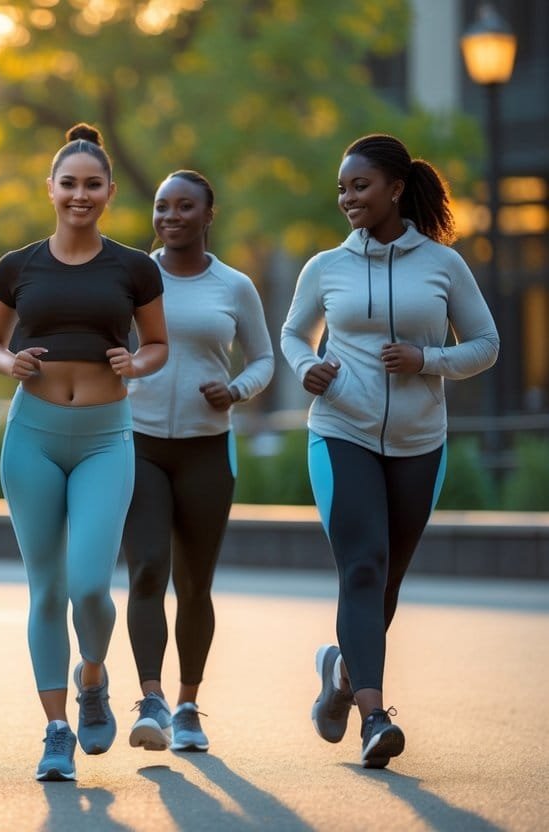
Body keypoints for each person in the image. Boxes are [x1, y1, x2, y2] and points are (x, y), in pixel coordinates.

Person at [281, 133, 499, 769]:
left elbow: (485, 344)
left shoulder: (442, 264)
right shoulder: (325, 267)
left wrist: (427, 360)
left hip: (418, 441)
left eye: (360, 186)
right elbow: (294, 333)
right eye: (342, 188)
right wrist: (306, 369)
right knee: (364, 566)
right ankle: (375, 716)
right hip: (340, 430)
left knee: (387, 582)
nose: (347, 198)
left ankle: (344, 673)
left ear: (395, 189)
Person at [0, 124, 168, 781]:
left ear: (109, 192)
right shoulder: (16, 266)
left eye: (91, 185)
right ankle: (55, 730)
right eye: (68, 184)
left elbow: (157, 344)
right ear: (50, 190)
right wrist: (7, 362)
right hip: (31, 436)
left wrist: (135, 360)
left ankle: (92, 675)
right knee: (45, 591)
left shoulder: (132, 267)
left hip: (104, 438)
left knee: (90, 586)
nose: (79, 195)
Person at [120, 170, 274, 755]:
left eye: (185, 206)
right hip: (139, 443)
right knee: (147, 572)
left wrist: (235, 390)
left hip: (208, 448)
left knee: (195, 585)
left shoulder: (234, 286)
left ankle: (187, 703)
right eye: (162, 206)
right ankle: (152, 699)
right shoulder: (134, 276)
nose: (171, 215)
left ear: (209, 215)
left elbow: (262, 359)